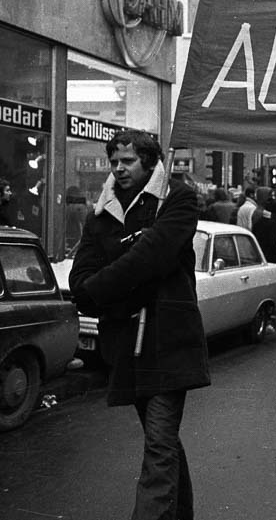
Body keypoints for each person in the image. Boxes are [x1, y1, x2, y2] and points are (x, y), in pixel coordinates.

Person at [69, 129, 210, 520]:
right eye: (114, 161)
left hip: (168, 339)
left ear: (150, 161)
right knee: (160, 441)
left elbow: (155, 257)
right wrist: (126, 278)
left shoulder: (177, 198)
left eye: (127, 161)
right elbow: (80, 280)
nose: (118, 168)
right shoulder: (102, 213)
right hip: (126, 343)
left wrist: (107, 287)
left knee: (159, 445)